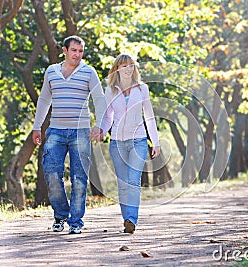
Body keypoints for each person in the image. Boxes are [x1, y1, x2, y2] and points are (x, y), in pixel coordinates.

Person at [32, 35, 106, 234]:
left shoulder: (89, 72)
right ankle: (61, 214)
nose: (78, 55)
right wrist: (36, 126)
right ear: (64, 51)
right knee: (51, 172)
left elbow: (99, 99)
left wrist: (99, 125)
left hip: (80, 132)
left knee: (79, 177)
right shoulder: (52, 72)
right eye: (74, 50)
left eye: (81, 51)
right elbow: (44, 100)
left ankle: (76, 222)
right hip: (55, 130)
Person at [101, 54, 161, 234]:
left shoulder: (142, 89)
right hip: (117, 142)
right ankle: (126, 218)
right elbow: (107, 117)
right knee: (123, 183)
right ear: (117, 68)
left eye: (131, 66)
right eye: (124, 66)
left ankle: (131, 219)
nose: (128, 69)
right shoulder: (110, 90)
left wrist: (155, 142)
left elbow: (149, 116)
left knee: (133, 181)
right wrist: (101, 130)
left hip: (139, 141)